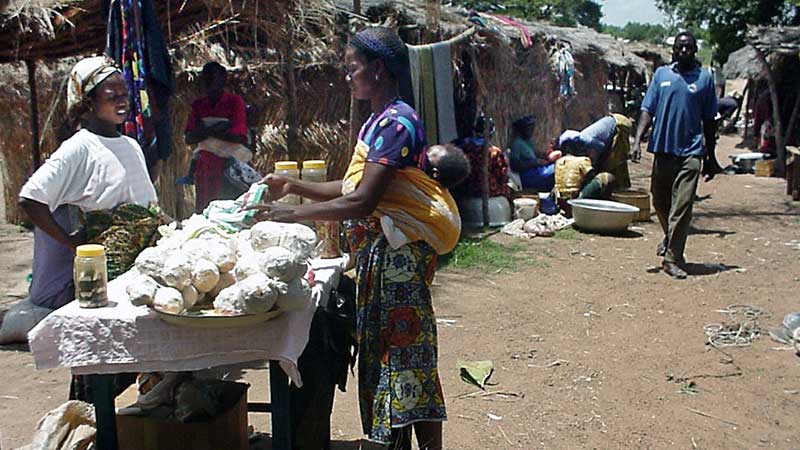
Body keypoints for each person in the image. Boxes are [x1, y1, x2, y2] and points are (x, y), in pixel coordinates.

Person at [250, 27, 455, 450]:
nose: (349, 76)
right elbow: (349, 187)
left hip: (399, 264)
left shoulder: (397, 123)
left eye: (353, 68)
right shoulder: (377, 122)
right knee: (392, 358)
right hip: (382, 262)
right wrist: (294, 186)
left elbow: (362, 202)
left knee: (407, 358)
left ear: (378, 69)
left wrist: (292, 213)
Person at [631, 31, 722, 279]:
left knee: (681, 206)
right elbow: (647, 109)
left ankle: (673, 258)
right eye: (680, 47)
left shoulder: (704, 79)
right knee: (660, 201)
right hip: (663, 149)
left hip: (691, 152)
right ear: (673, 50)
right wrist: (637, 140)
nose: (684, 51)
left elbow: (709, 121)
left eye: (689, 48)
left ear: (695, 51)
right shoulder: (662, 75)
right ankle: (670, 237)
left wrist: (711, 156)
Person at [182, 62, 249, 212]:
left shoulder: (234, 102)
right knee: (205, 210)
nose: (210, 82)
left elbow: (238, 136)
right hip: (205, 167)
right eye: (207, 79)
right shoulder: (199, 105)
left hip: (229, 166)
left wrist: (204, 130)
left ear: (223, 80)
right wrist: (216, 129)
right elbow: (189, 138)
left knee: (229, 210)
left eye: (214, 78)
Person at [557, 113, 633, 199]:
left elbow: (602, 147)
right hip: (609, 129)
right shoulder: (578, 147)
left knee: (616, 163)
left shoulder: (585, 140)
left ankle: (622, 195)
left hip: (619, 125)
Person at [508, 115, 555, 191]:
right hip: (528, 177)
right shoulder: (517, 144)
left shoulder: (528, 141)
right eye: (528, 128)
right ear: (522, 129)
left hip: (537, 172)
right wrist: (534, 163)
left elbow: (533, 154)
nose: (532, 130)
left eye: (532, 127)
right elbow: (514, 165)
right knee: (556, 170)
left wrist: (546, 157)